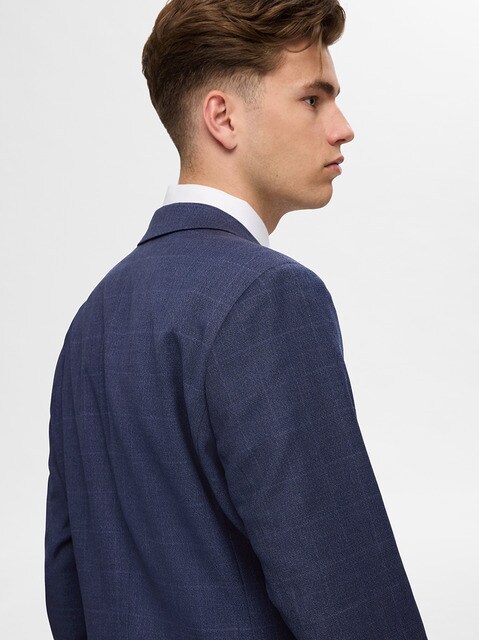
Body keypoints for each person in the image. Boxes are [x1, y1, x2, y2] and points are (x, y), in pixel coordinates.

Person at [44, 0, 429, 638]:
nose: (342, 128)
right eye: (313, 99)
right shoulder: (269, 297)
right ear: (222, 117)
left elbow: (69, 581)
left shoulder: (93, 322)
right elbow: (344, 594)